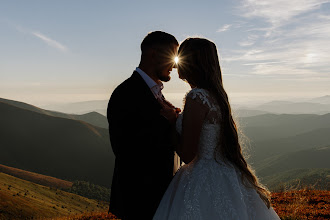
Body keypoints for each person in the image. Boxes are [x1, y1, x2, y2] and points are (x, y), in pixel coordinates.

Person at [153, 38, 280, 219]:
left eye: (180, 57)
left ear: (191, 62)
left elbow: (188, 155)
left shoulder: (196, 97)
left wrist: (172, 123)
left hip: (201, 177)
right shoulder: (216, 96)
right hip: (225, 172)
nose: (175, 64)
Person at [107, 31, 181, 219]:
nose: (174, 64)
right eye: (171, 55)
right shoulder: (125, 93)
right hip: (139, 201)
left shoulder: (156, 91)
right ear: (153, 54)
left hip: (161, 196)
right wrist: (166, 122)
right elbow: (124, 149)